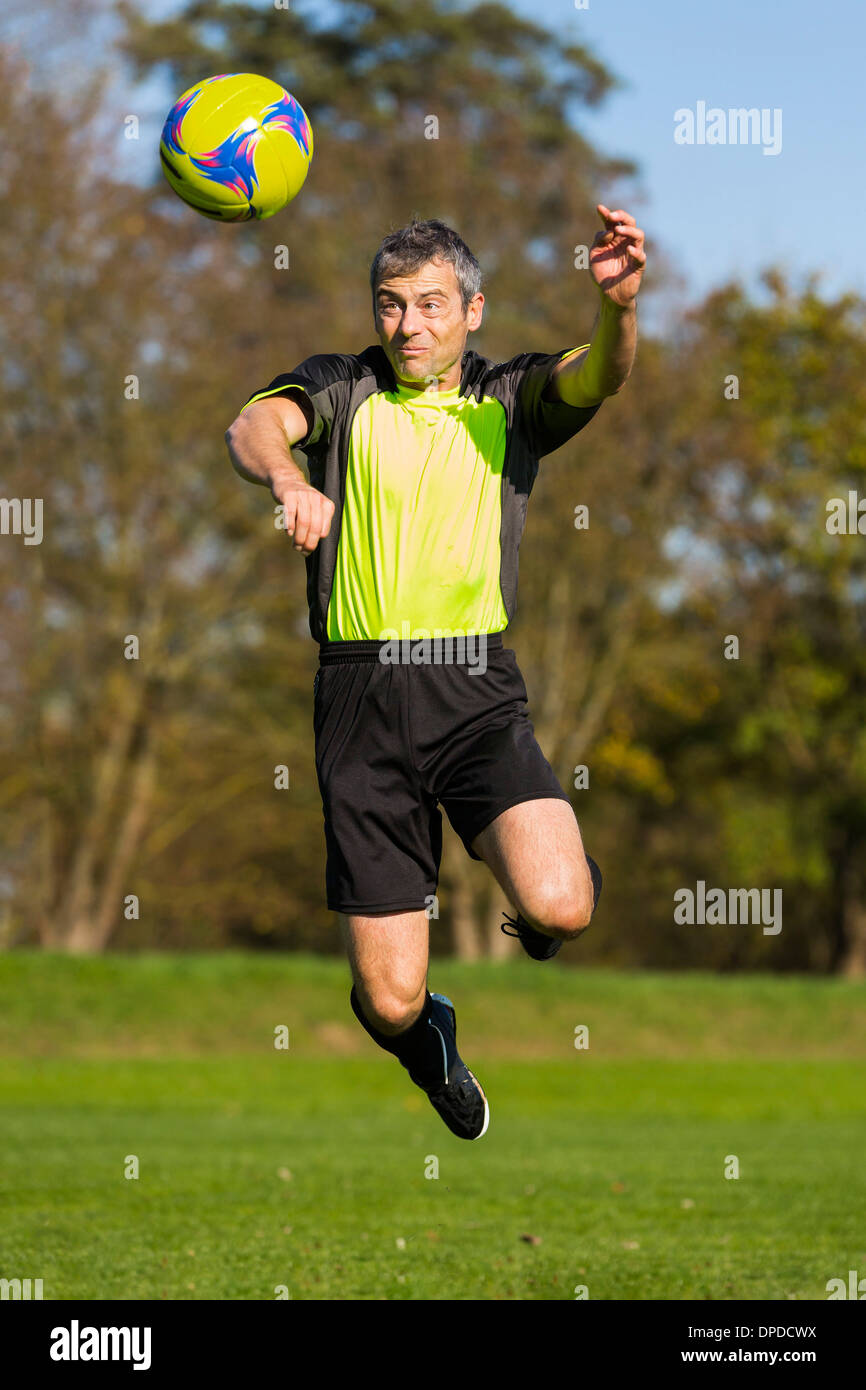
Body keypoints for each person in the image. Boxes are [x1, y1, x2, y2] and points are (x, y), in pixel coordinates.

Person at [225, 206, 645, 1141]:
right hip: (358, 703)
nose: (408, 325)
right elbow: (253, 424)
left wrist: (618, 308)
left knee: (563, 905)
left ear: (473, 310)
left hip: (473, 691)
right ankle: (432, 1044)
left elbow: (600, 375)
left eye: (430, 304)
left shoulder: (510, 398)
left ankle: (548, 893)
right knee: (388, 1001)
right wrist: (290, 481)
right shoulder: (341, 388)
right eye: (390, 305)